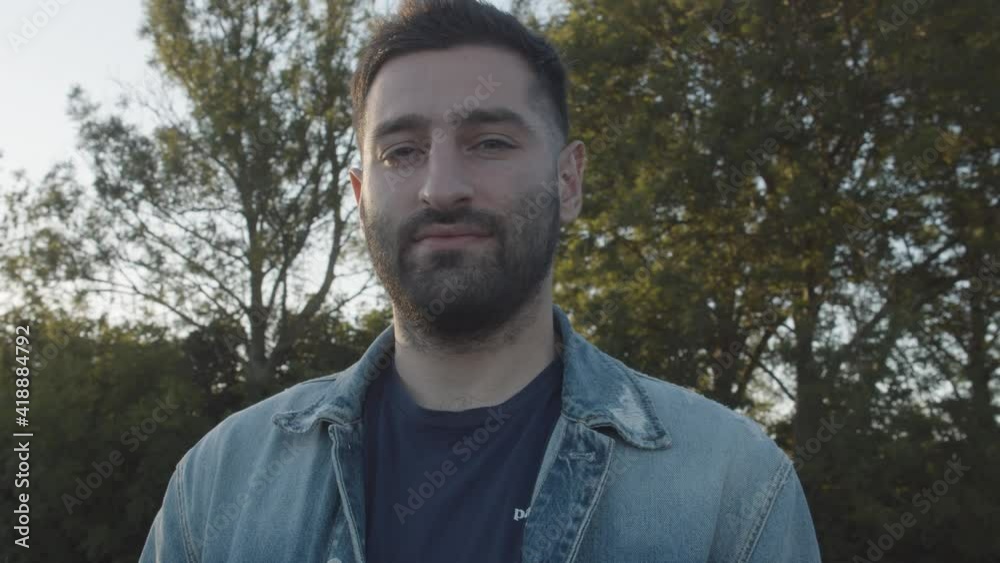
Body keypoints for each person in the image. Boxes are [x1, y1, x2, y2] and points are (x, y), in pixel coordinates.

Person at [139, 1, 822, 561]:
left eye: (490, 141)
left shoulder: (733, 489)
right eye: (401, 151)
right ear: (358, 194)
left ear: (568, 180)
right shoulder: (217, 482)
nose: (441, 187)